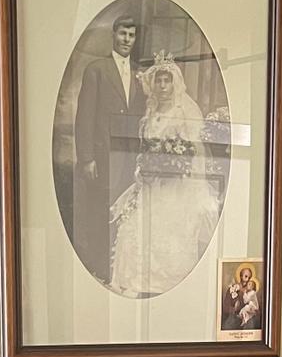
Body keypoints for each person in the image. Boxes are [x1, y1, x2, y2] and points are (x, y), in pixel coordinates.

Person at [109, 52, 221, 297]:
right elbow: (145, 149)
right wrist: (144, 169)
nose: (162, 86)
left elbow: (193, 153)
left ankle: (165, 286)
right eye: (158, 81)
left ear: (174, 83)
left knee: (169, 234)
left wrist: (172, 168)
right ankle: (133, 280)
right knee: (132, 226)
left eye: (166, 81)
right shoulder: (150, 113)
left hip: (175, 187)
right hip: (149, 184)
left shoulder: (183, 113)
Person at [73, 15, 146, 283]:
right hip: (103, 155)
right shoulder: (97, 69)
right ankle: (100, 268)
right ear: (113, 35)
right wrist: (87, 158)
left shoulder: (140, 74)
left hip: (128, 157)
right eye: (123, 34)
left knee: (125, 210)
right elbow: (85, 116)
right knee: (101, 210)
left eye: (132, 35)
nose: (127, 40)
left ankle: (119, 267)